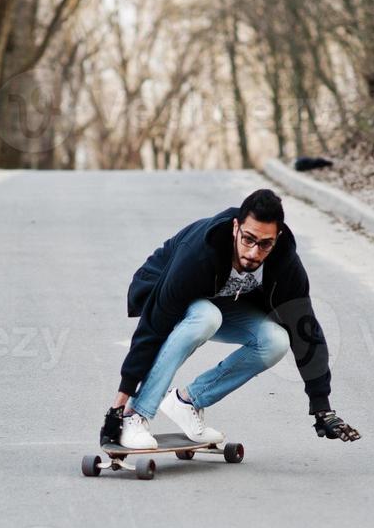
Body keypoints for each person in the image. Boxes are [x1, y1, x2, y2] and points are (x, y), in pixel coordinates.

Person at [101, 188, 360, 449]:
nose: (253, 252)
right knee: (206, 316)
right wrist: (120, 404)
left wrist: (321, 407)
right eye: (248, 239)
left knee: (276, 340)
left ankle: (188, 401)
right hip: (161, 291)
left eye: (265, 244)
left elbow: (305, 330)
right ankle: (137, 415)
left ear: (277, 238)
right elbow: (152, 329)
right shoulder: (200, 253)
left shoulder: (285, 264)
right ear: (236, 227)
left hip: (220, 301)